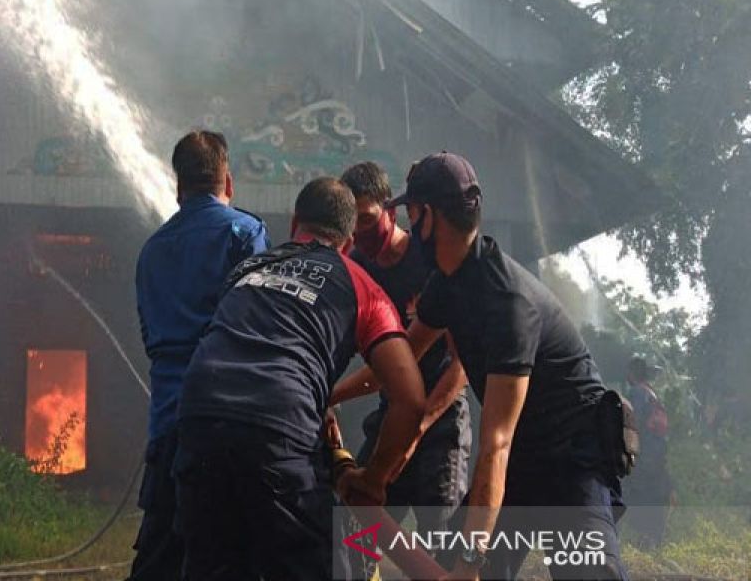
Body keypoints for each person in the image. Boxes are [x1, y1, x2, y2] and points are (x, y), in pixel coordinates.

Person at [332, 153, 629, 580]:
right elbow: (394, 368)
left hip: (571, 457)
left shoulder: (508, 302)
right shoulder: (448, 286)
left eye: (411, 213)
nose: (409, 227)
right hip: (524, 455)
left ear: (427, 216)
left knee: (586, 574)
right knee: (458, 559)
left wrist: (470, 565)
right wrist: (331, 397)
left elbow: (495, 444)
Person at [173, 177, 425, 581]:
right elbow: (410, 398)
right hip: (278, 428)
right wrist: (373, 479)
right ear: (348, 242)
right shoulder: (360, 285)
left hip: (198, 420)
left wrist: (318, 400)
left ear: (295, 223)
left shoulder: (247, 270)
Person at [130, 130, 270, 581]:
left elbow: (150, 335)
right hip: (228, 424)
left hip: (168, 425)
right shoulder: (245, 233)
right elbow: (259, 327)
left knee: (159, 557)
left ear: (178, 187)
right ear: (227, 182)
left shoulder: (152, 251)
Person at [335, 161, 471, 542]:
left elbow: (462, 366)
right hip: (391, 412)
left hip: (441, 417)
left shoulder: (430, 260)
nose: (359, 232)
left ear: (390, 210)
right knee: (352, 527)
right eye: (352, 222)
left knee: (440, 537)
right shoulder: (354, 271)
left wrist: (421, 426)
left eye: (366, 218)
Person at [623, 356, 671, 547]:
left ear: (631, 374)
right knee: (651, 495)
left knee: (638, 494)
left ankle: (644, 540)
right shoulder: (651, 392)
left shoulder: (635, 393)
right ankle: (652, 538)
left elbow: (634, 425)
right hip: (657, 453)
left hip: (645, 454)